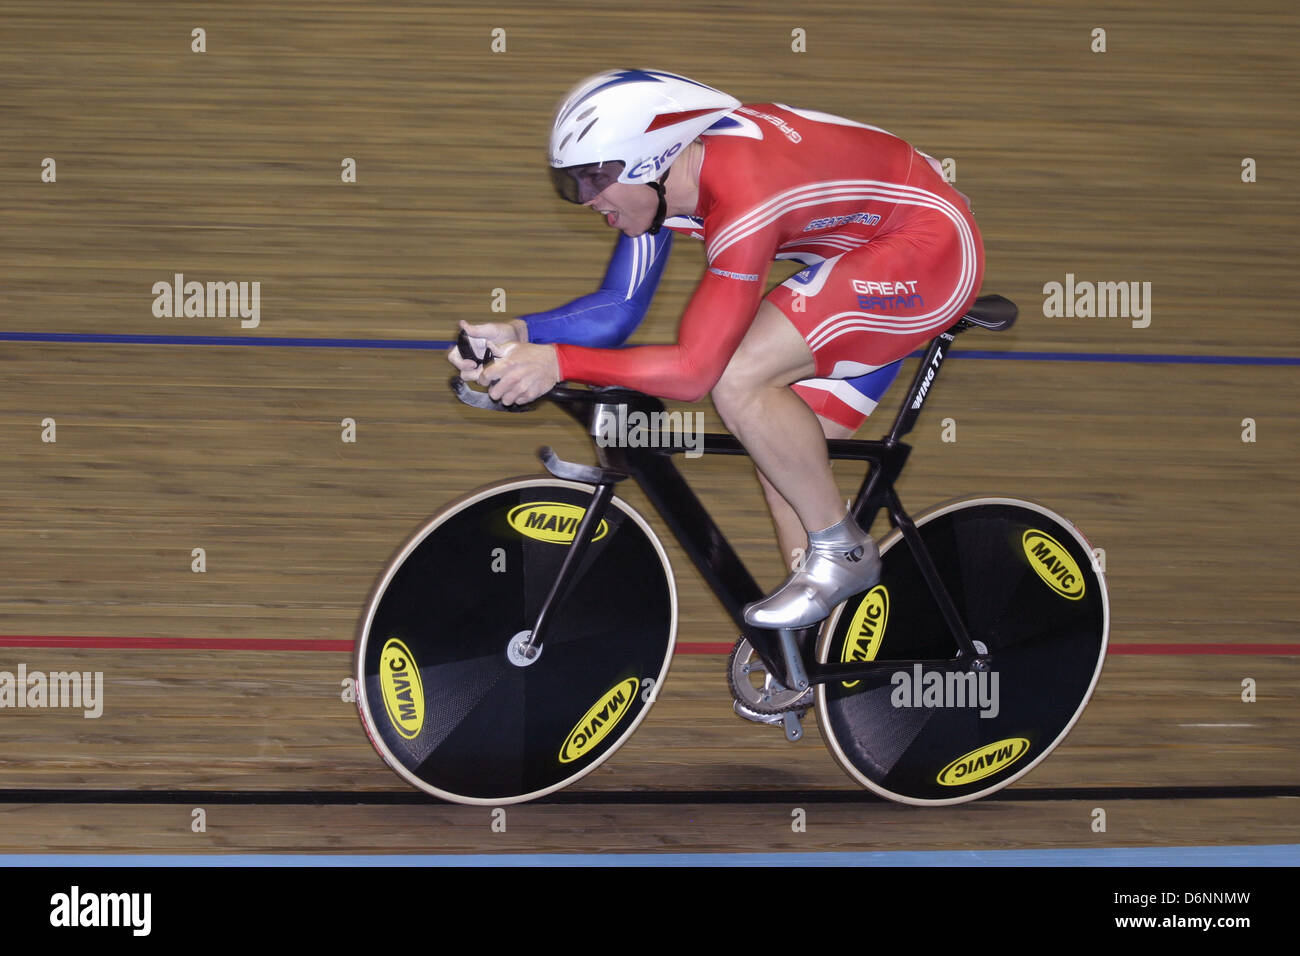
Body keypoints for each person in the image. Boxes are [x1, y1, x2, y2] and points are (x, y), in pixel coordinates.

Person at [449, 68, 983, 631]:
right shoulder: (672, 181)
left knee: (740, 378)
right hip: (860, 255)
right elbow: (617, 309)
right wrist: (521, 334)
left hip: (928, 250)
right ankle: (812, 660)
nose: (584, 200)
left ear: (650, 161)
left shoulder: (745, 196)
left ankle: (843, 553)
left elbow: (695, 372)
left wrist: (556, 362)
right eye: (572, 183)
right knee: (786, 455)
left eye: (592, 179)